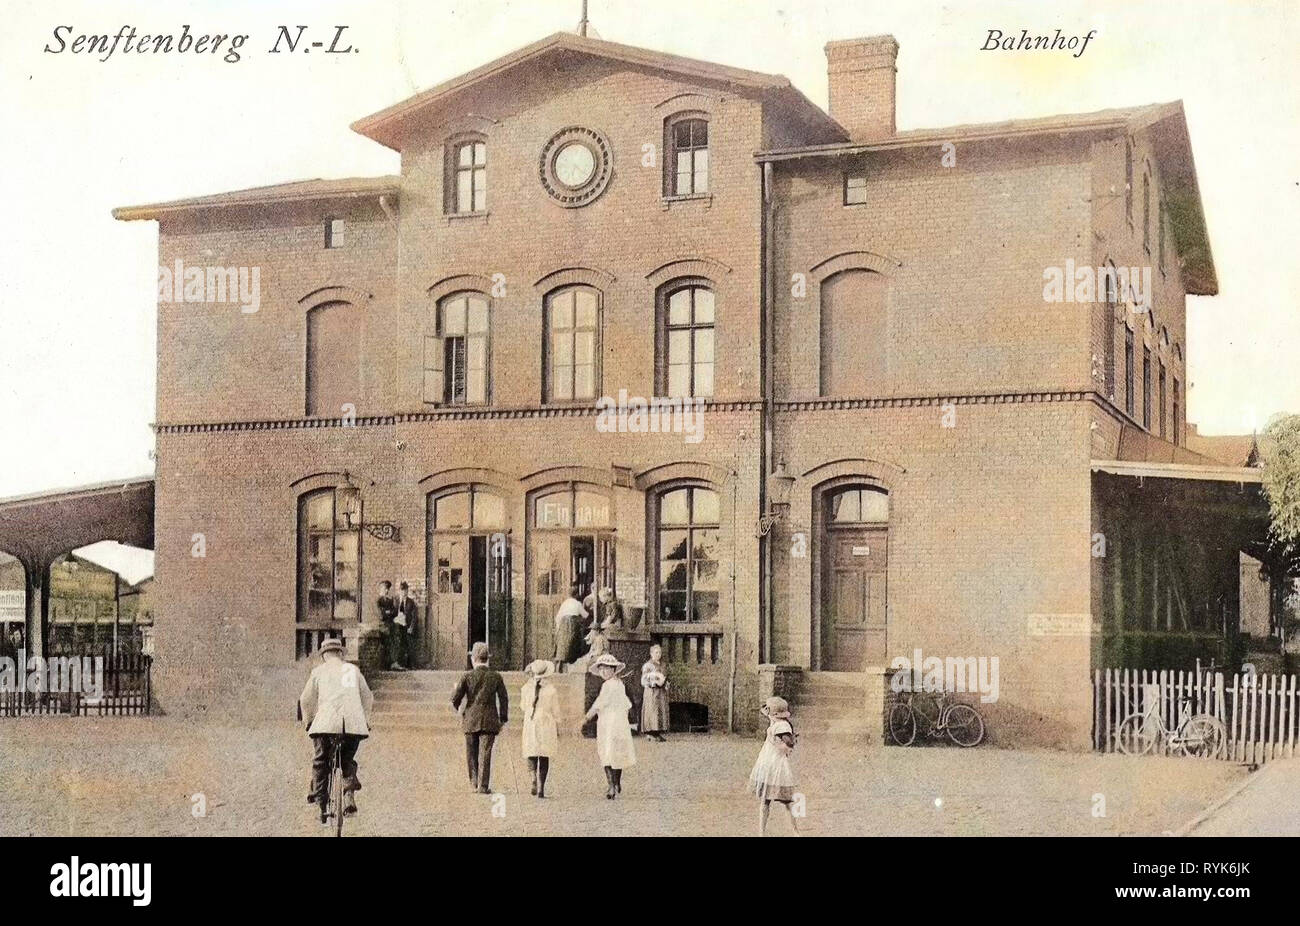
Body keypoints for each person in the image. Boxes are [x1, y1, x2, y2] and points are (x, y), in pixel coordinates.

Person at [299, 638, 373, 823]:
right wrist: (365, 720)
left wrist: (308, 721)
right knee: (347, 760)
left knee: (321, 761)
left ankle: (320, 803)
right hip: (353, 725)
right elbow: (368, 697)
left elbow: (305, 700)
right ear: (340, 654)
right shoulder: (352, 670)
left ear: (324, 655)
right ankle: (348, 796)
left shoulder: (319, 671)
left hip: (325, 724)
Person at [451, 641, 509, 794]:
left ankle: (474, 782)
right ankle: (483, 786)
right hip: (490, 719)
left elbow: (455, 698)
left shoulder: (467, 676)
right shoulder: (496, 676)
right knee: (485, 752)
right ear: (487, 658)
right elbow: (504, 698)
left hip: (470, 719)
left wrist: (459, 710)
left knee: (471, 752)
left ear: (473, 659)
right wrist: (503, 718)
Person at [583, 653, 636, 799]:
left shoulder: (607, 686)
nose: (604, 672)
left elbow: (598, 704)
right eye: (601, 669)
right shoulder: (620, 685)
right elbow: (627, 705)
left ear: (614, 670)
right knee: (617, 752)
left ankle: (611, 785)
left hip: (608, 724)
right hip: (620, 723)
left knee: (607, 753)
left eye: (607, 669)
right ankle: (616, 782)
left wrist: (587, 717)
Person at [749, 696, 800, 836]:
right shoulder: (777, 721)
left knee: (783, 801)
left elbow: (788, 742)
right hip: (770, 763)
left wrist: (784, 744)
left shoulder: (781, 726)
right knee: (770, 801)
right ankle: (763, 832)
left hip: (773, 764)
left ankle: (793, 831)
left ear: (775, 713)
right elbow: (767, 713)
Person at [520, 659, 560, 798]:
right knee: (544, 754)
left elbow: (523, 706)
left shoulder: (526, 688)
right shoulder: (551, 690)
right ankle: (541, 786)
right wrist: (557, 722)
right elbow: (556, 710)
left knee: (531, 750)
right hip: (546, 721)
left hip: (531, 720)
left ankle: (532, 778)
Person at [553, 584, 588, 671]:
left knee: (562, 647)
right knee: (572, 646)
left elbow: (558, 617)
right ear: (576, 595)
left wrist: (558, 629)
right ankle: (569, 668)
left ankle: (560, 668)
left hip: (563, 626)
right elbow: (585, 615)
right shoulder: (577, 603)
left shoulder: (564, 603)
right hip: (572, 626)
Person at [640, 644, 670, 742]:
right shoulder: (648, 665)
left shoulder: (663, 664)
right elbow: (643, 680)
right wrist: (652, 682)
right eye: (656, 652)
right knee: (652, 710)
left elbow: (665, 676)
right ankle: (650, 733)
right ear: (651, 653)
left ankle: (657, 733)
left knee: (660, 710)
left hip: (660, 692)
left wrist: (665, 683)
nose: (658, 654)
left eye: (660, 652)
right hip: (651, 692)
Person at [391, 581, 418, 670]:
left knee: (408, 645)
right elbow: (392, 613)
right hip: (397, 625)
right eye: (402, 590)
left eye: (405, 590)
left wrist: (411, 627)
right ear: (399, 591)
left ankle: (408, 665)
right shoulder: (395, 600)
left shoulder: (411, 602)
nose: (404, 592)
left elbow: (414, 616)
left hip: (406, 626)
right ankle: (397, 664)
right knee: (398, 644)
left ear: (407, 591)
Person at [375, 580, 398, 665]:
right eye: (385, 589)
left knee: (393, 643)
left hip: (390, 625)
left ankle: (392, 663)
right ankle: (386, 664)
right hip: (382, 626)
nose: (387, 591)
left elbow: (395, 612)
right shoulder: (378, 601)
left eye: (388, 589)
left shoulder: (389, 600)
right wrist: (388, 613)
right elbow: (381, 616)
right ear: (381, 589)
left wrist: (387, 612)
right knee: (386, 644)